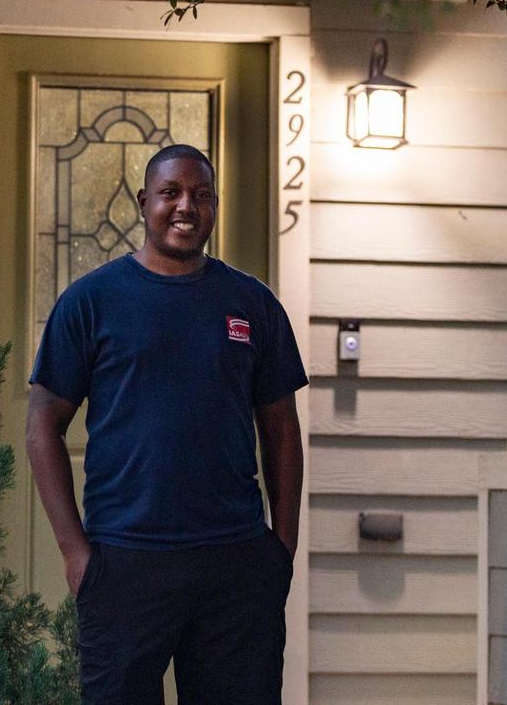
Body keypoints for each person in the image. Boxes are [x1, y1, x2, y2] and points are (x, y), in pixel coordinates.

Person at [26, 143, 307, 704]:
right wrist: (76, 554)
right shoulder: (92, 301)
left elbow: (282, 431)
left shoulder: (252, 304)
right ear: (143, 202)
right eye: (171, 193)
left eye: (202, 195)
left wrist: (280, 551)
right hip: (125, 563)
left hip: (235, 563)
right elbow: (42, 426)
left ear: (215, 206)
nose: (186, 207)